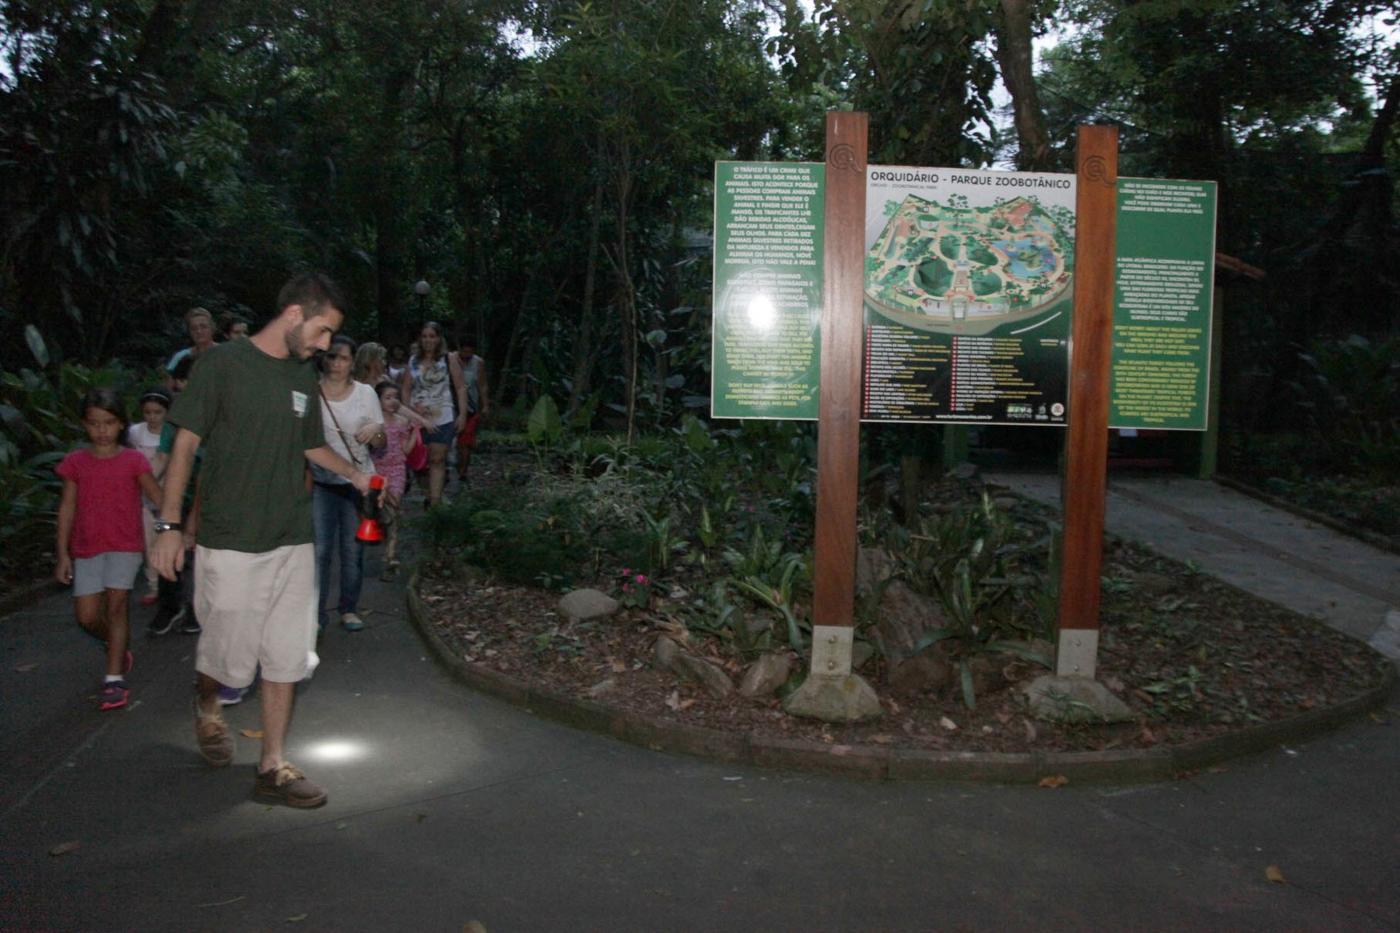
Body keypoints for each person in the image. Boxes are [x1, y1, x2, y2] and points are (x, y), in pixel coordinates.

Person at [152, 272, 373, 809]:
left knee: (286, 657)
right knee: (227, 658)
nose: (325, 346)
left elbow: (310, 446)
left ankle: (272, 764)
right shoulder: (223, 365)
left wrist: (356, 475)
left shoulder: (302, 376)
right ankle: (207, 704)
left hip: (292, 537)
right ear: (295, 314)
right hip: (231, 540)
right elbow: (184, 446)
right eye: (322, 332)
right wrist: (169, 527)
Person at [55, 389, 164, 711]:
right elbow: (67, 508)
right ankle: (115, 645)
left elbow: (157, 497)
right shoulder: (76, 463)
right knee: (87, 616)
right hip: (87, 547)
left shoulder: (133, 460)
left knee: (116, 608)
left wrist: (174, 529)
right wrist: (62, 552)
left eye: (109, 423)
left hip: (124, 545)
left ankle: (113, 678)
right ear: (84, 426)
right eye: (94, 424)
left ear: (121, 425)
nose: (101, 431)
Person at [313, 334, 385, 633]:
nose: (336, 363)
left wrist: (374, 431)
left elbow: (381, 442)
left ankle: (349, 608)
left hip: (359, 484)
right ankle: (314, 615)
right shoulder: (310, 392)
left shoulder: (365, 393)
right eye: (331, 356)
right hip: (321, 481)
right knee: (319, 550)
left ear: (352, 362)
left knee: (352, 549)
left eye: (343, 358)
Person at [400, 321, 467, 508]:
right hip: (417, 416)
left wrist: (462, 414)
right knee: (419, 462)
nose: (428, 340)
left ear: (439, 338)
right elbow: (405, 388)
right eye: (425, 336)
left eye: (432, 336)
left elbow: (460, 387)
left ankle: (435, 502)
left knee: (437, 458)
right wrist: (406, 413)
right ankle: (428, 493)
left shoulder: (448, 359)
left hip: (442, 415)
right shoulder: (413, 361)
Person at [370, 381, 429, 580]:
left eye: (396, 397)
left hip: (396, 469)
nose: (393, 401)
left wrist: (415, 431)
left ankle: (390, 556)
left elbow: (405, 450)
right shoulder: (372, 422)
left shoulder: (402, 422)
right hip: (375, 470)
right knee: (380, 512)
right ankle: (384, 544)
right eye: (387, 397)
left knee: (394, 510)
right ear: (377, 400)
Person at [127, 388, 170, 606]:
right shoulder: (135, 432)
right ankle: (153, 585)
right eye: (148, 412)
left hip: (166, 497)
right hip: (143, 498)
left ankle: (169, 583)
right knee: (148, 541)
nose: (152, 417)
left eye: (158, 412)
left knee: (165, 537)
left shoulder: (171, 433)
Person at [453, 331, 490, 482]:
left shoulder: (478, 363)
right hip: (451, 406)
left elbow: (482, 385)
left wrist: (485, 404)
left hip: (471, 408)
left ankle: (463, 472)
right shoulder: (451, 359)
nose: (467, 354)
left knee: (466, 442)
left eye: (470, 351)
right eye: (464, 351)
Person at [164, 307, 217, 388]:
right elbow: (168, 390)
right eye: (194, 328)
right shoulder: (181, 357)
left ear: (212, 328)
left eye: (203, 327)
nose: (199, 331)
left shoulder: (226, 353)